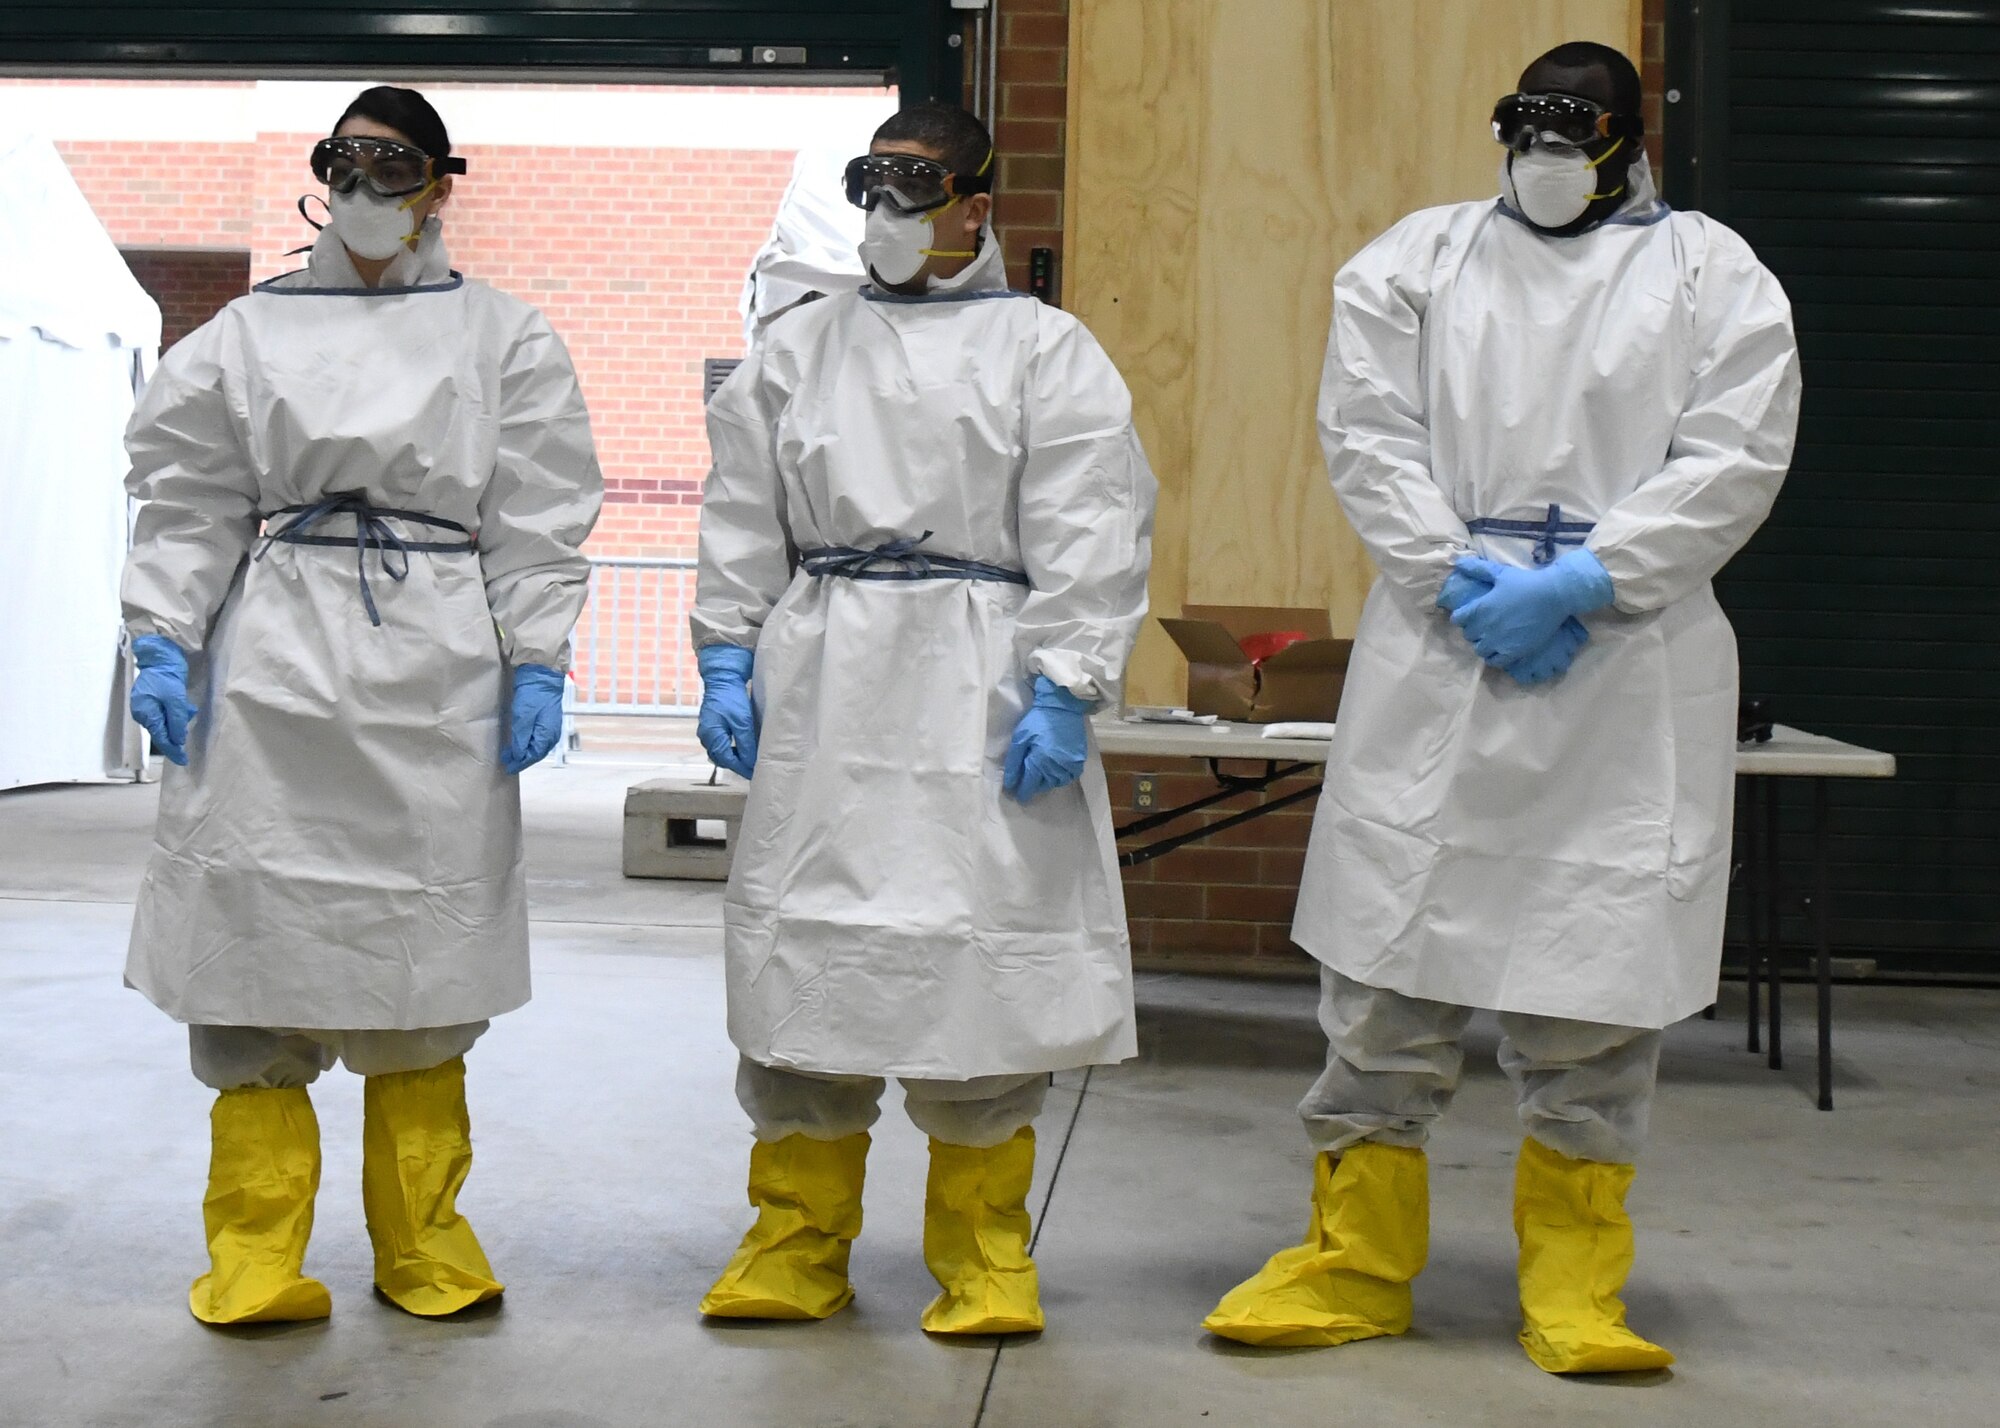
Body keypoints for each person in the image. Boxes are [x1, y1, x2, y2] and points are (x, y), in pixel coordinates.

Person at [1203, 42, 1800, 1372]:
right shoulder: (1418, 261)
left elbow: (1736, 453)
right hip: (1443, 645)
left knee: (1593, 981)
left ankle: (1577, 1286)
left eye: (1573, 129)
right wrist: (1456, 581)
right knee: (1384, 969)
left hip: (1625, 665)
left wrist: (1591, 580)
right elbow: (1366, 431)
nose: (1545, 153)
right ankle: (1354, 1262)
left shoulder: (1712, 273)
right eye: (1525, 127)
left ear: (1632, 140)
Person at [121, 85, 603, 1324]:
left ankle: (423, 1247)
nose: (368, 192)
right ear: (321, 174)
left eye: (397, 170)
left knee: (423, 957)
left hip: (435, 658)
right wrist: (164, 641)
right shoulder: (244, 337)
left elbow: (540, 508)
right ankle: (257, 1257)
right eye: (348, 164)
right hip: (272, 656)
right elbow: (188, 500)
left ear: (444, 185)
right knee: (249, 946)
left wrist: (536, 653)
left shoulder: (503, 339)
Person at [691, 102, 1155, 1335]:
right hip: (828, 669)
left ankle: (984, 1254)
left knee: (982, 956)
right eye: (874, 189)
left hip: (979, 677)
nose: (892, 217)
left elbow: (1093, 520)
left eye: (918, 191)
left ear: (976, 207)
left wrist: (1065, 679)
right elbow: (740, 510)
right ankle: (793, 1241)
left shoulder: (1043, 349)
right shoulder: (797, 348)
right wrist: (725, 657)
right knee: (810, 953)